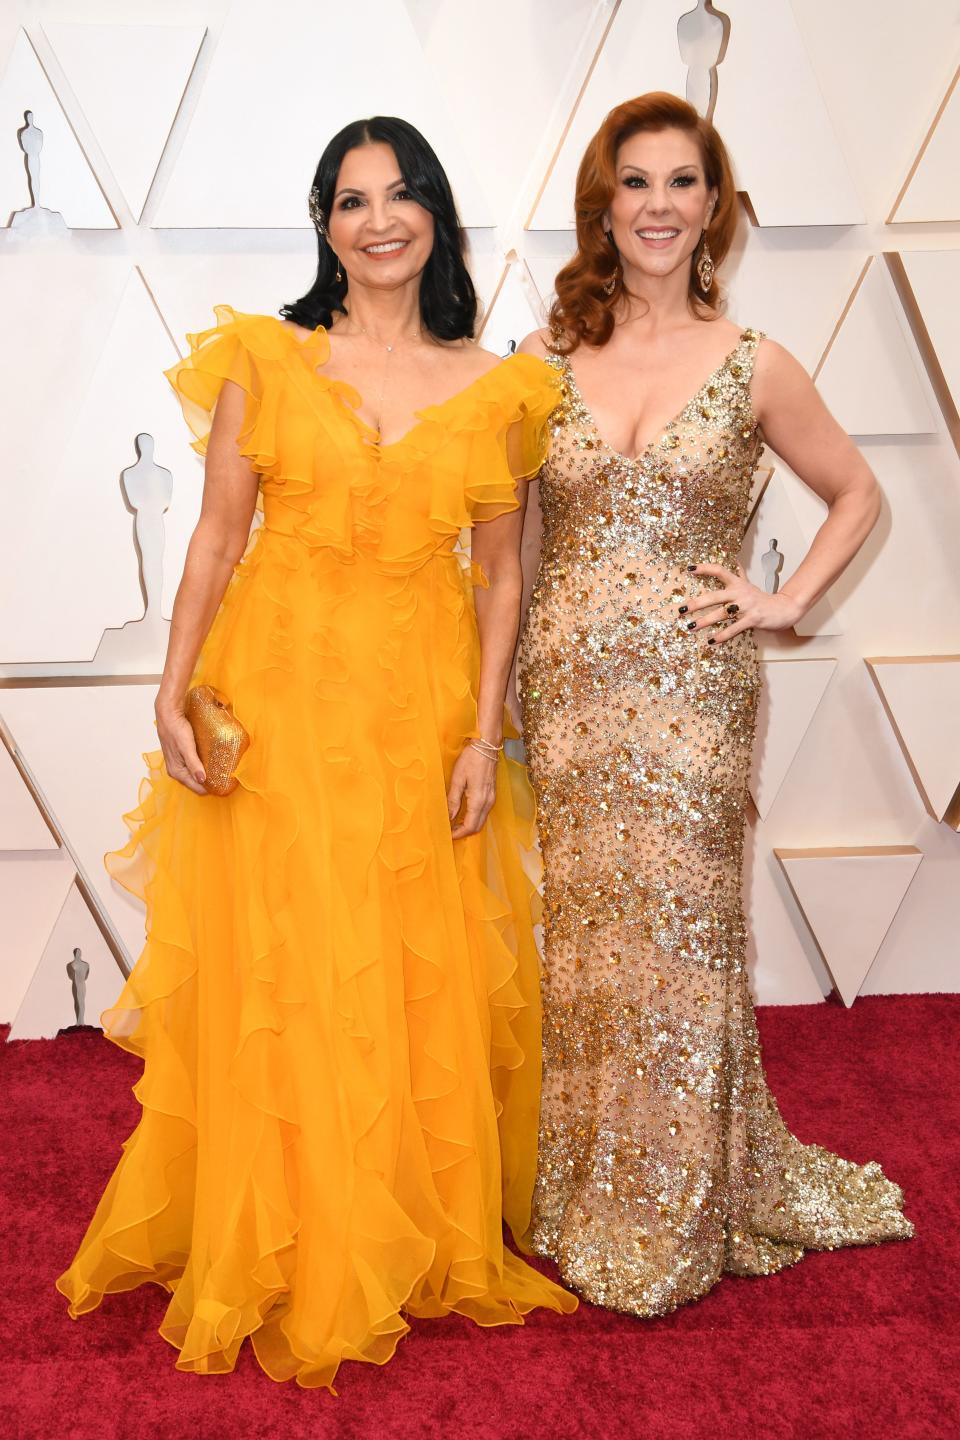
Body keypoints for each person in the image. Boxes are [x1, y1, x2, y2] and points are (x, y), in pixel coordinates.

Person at [57, 115, 575, 1389]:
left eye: (402, 197)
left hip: (416, 711)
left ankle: (397, 1228)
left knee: (405, 968)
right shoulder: (269, 360)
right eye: (351, 201)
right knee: (284, 965)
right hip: (277, 704)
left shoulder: (499, 387)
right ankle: (278, 1230)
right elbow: (217, 540)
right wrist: (172, 691)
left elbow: (504, 575)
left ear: (437, 218)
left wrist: (484, 730)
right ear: (325, 224)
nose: (378, 219)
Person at [515, 92, 912, 1317]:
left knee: (684, 943)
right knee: (587, 943)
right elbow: (522, 543)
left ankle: (676, 1207)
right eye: (636, 183)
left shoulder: (756, 364)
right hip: (571, 692)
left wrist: (785, 601)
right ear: (605, 203)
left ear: (716, 208)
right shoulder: (543, 364)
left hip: (694, 693)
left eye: (683, 182)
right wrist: (507, 692)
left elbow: (857, 492)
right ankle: (587, 1183)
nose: (659, 207)